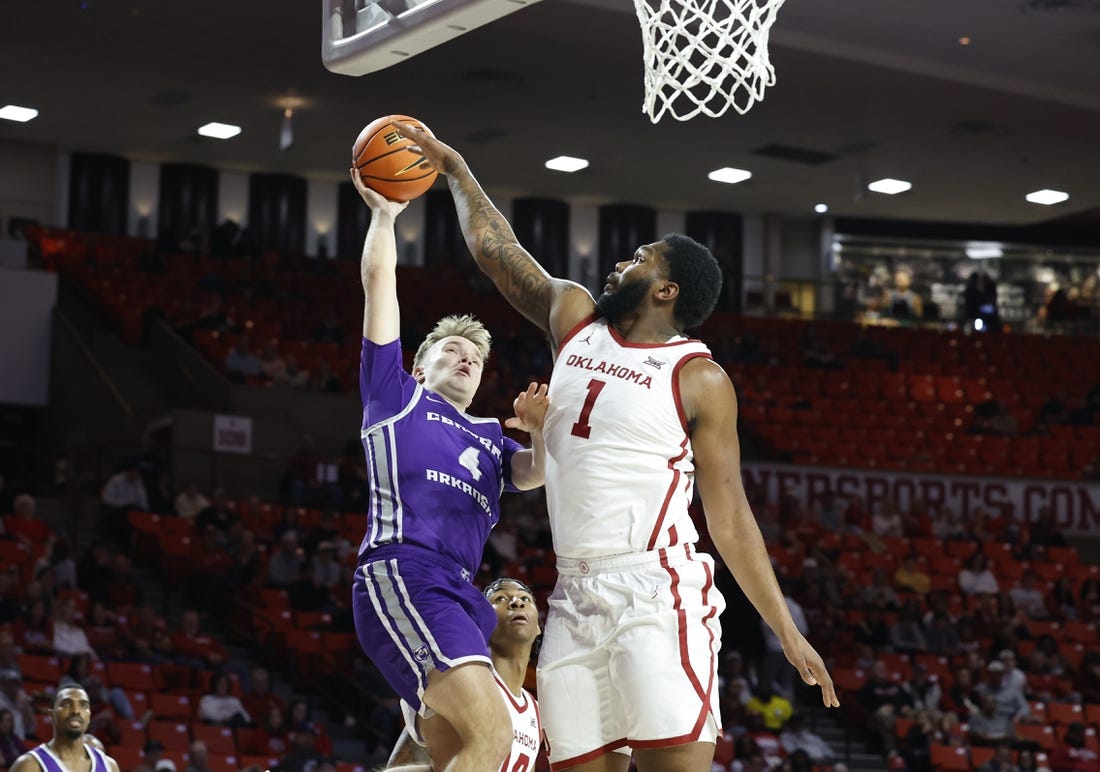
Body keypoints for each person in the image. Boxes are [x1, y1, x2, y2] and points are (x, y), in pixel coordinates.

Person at [396, 120, 837, 772]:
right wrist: (457, 171)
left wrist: (785, 627)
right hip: (572, 598)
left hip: (656, 590)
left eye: (639, 258)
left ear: (666, 291)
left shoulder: (699, 378)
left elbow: (731, 516)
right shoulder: (573, 318)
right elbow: (498, 251)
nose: (619, 263)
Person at [348, 171, 549, 772]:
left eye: (477, 358)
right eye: (452, 351)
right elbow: (379, 283)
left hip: (461, 594)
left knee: (451, 752)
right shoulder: (396, 397)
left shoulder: (490, 435)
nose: (466, 359)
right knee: (491, 737)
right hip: (404, 570)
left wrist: (539, 433)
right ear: (420, 362)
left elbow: (535, 474)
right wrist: (384, 217)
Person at [385, 577, 543, 771]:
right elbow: (406, 762)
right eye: (500, 598)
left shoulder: (534, 710)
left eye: (525, 599)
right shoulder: (457, 682)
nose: (516, 602)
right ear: (480, 624)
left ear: (538, 628)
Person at [8, 684, 121, 772]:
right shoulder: (29, 765)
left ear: (89, 716)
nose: (76, 711)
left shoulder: (109, 766)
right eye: (66, 704)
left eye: (83, 705)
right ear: (52, 715)